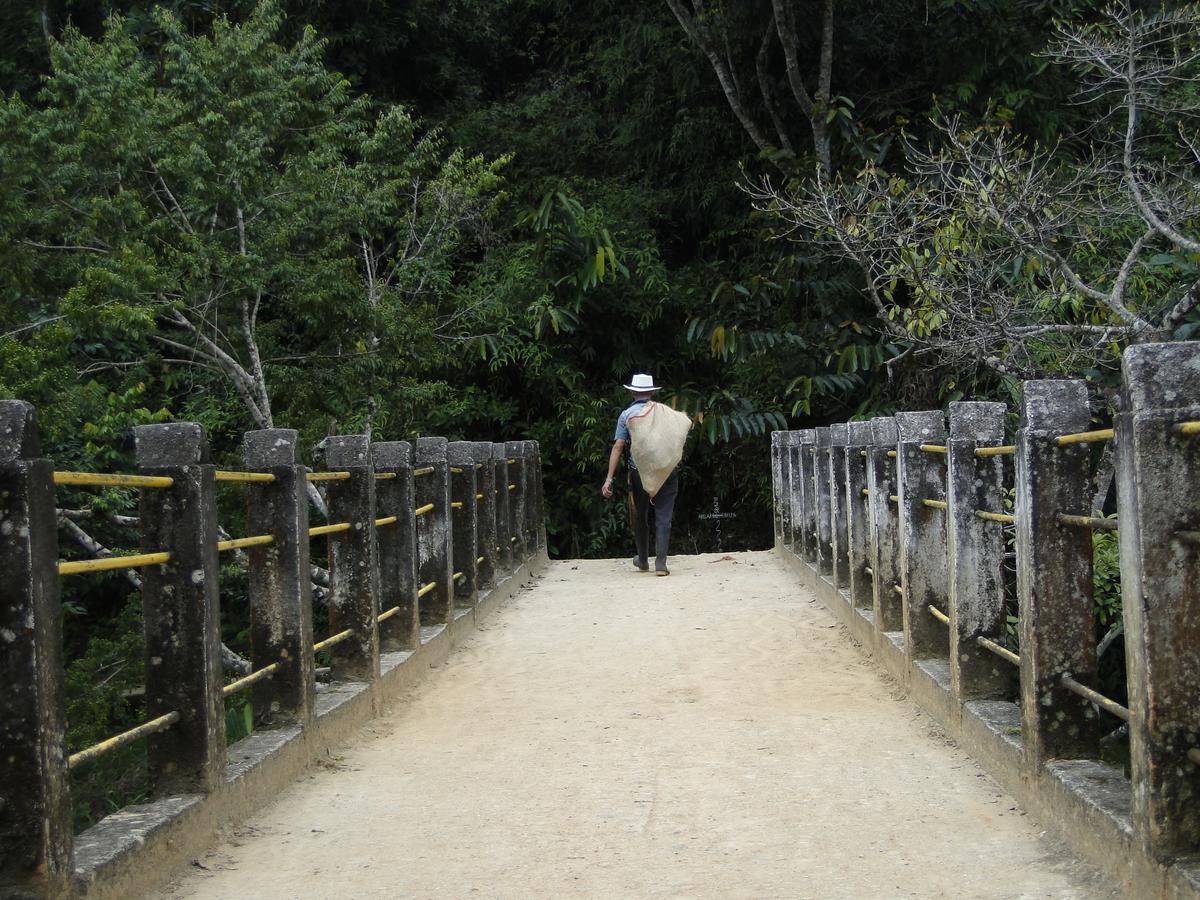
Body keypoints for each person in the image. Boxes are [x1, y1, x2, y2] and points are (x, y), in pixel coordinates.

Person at [600, 372, 680, 576]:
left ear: (633, 392)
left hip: (639, 473)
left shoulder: (627, 415)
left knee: (640, 515)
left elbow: (618, 446)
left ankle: (643, 560)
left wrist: (609, 478)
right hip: (665, 472)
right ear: (652, 392)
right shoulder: (664, 412)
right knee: (663, 517)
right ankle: (660, 564)